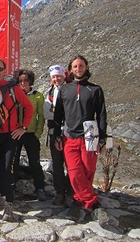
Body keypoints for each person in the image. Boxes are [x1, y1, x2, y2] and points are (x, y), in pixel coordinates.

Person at [53, 55, 109, 227]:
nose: (79, 69)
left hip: (90, 135)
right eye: (75, 66)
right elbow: (58, 115)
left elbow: (101, 115)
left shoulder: (95, 89)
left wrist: (102, 138)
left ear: (86, 67)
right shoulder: (64, 89)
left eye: (81, 65)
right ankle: (95, 204)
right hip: (69, 136)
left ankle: (77, 202)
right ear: (70, 69)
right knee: (75, 171)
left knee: (88, 170)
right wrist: (56, 135)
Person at [0, 57, 33, 222]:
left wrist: (23, 128)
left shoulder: (14, 89)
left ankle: (8, 205)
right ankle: (4, 197)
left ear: (5, 71)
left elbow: (28, 107)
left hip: (11, 135)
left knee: (8, 168)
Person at [13, 69, 46, 201]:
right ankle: (13, 187)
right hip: (16, 133)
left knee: (35, 162)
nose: (23, 83)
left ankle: (40, 188)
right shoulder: (14, 95)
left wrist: (38, 133)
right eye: (20, 81)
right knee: (13, 161)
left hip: (31, 134)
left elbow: (41, 116)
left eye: (25, 80)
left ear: (30, 81)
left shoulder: (37, 96)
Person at [44, 64, 71, 205]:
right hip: (54, 131)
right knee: (57, 163)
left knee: (71, 164)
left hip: (69, 132)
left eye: (59, 76)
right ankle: (60, 192)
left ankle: (71, 193)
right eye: (54, 77)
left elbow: (72, 112)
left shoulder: (69, 90)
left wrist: (56, 113)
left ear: (64, 76)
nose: (56, 79)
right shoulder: (50, 92)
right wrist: (59, 114)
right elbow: (45, 113)